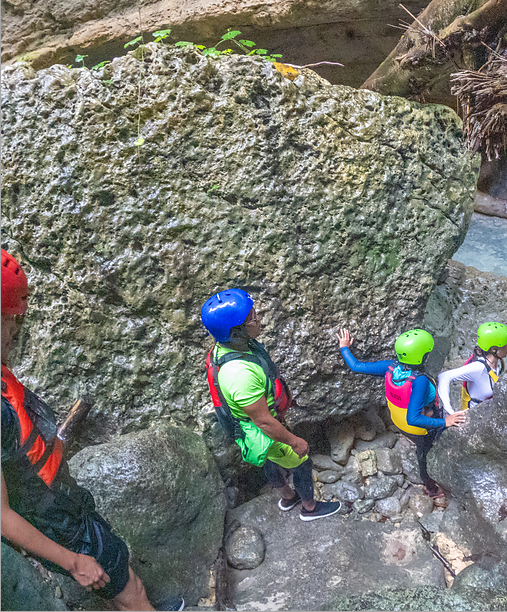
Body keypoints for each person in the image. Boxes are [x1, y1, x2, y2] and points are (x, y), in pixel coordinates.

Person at [1, 249, 184, 611]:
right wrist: (74, 561)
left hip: (57, 504)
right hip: (59, 523)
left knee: (115, 584)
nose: (15, 332)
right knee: (131, 590)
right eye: (10, 322)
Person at [202, 289, 340, 522]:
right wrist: (295, 441)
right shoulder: (239, 374)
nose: (258, 319)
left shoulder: (228, 348)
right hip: (262, 429)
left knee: (269, 458)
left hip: (259, 428)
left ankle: (288, 497)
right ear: (236, 331)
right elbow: (263, 421)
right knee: (302, 460)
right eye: (252, 317)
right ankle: (309, 508)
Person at [337, 328, 465, 501]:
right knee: (424, 455)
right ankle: (432, 489)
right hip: (420, 428)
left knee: (422, 447)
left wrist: (344, 348)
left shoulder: (390, 367)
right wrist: (445, 422)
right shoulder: (419, 381)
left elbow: (356, 366)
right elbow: (414, 418)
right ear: (422, 357)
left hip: (398, 421)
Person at [437, 322, 507, 414]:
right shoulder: (478, 368)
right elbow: (444, 376)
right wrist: (450, 411)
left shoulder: (498, 361)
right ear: (493, 349)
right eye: (505, 344)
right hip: (476, 417)